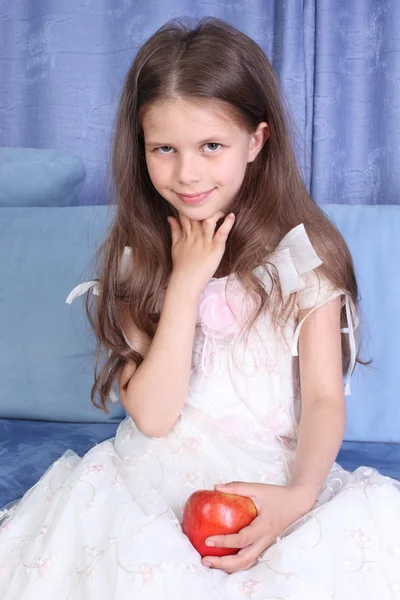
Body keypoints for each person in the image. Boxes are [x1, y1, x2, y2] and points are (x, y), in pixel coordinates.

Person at [0, 16, 399, 600]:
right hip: (152, 475)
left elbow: (320, 398)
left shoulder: (301, 258)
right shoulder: (142, 256)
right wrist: (186, 283)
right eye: (165, 148)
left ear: (257, 141)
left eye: (211, 146)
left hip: (272, 473)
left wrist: (298, 496)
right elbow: (155, 417)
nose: (187, 173)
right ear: (141, 147)